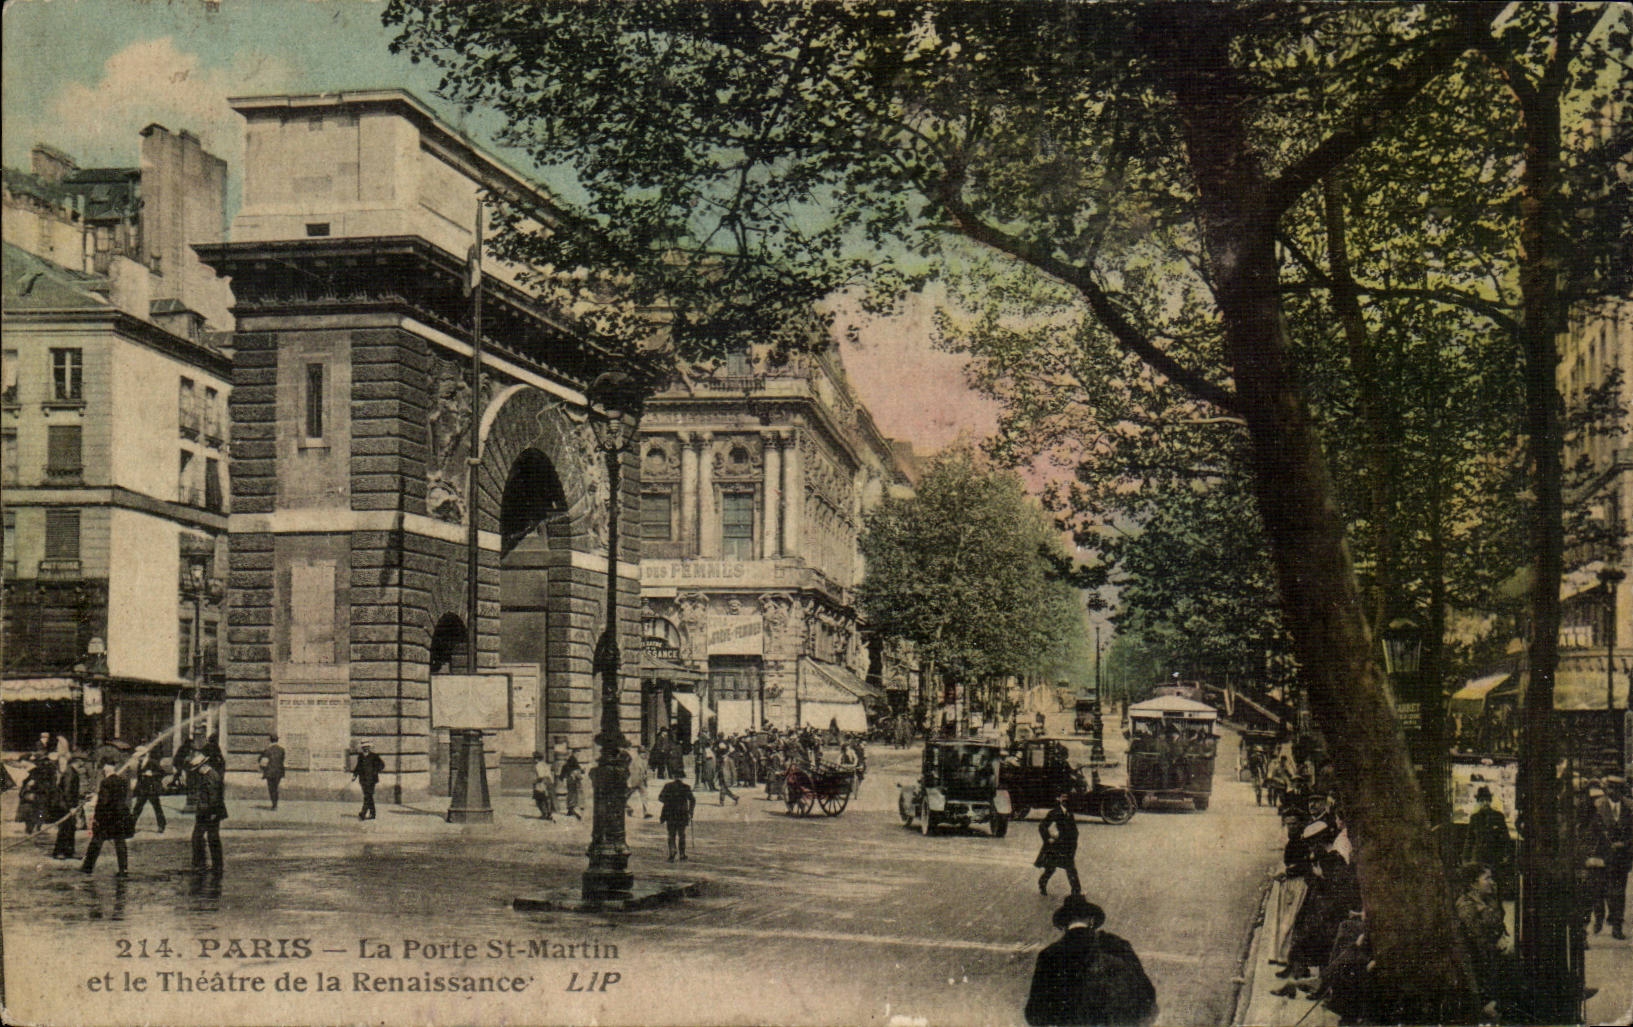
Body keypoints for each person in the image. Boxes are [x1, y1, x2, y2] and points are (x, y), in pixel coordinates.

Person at [1024, 894, 1157, 1027]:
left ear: (1064, 925)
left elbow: (1034, 1014)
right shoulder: (1117, 946)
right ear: (1092, 921)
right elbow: (1147, 999)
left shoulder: (1048, 955)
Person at [1455, 862, 1511, 1014]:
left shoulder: (1488, 901)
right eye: (1487, 878)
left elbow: (1498, 925)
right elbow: (1477, 940)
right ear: (1473, 884)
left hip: (1491, 964)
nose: (1492, 882)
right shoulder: (1466, 906)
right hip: (1477, 969)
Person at [1587, 775, 1632, 939]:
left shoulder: (1630, 807)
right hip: (1602, 856)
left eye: (1617, 790)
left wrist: (1625, 844)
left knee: (1618, 893)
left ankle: (1617, 926)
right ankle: (1599, 918)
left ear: (1621, 791)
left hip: (1621, 858)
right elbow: (1591, 831)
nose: (1613, 792)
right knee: (1599, 890)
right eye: (1610, 789)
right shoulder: (1598, 806)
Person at [81, 758, 135, 876]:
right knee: (120, 842)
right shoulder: (122, 781)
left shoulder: (105, 782)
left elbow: (103, 802)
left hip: (107, 817)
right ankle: (123, 869)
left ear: (106, 769)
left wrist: (96, 817)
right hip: (120, 816)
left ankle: (87, 867)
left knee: (96, 841)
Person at [1460, 786, 1511, 893]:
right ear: (1478, 802)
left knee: (1494, 887)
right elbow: (1469, 840)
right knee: (1479, 886)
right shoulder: (1475, 818)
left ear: (1490, 801)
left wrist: (1505, 855)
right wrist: (1466, 859)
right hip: (1478, 858)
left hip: (1494, 859)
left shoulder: (1498, 817)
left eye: (1487, 800)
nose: (1485, 803)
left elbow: (1506, 838)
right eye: (1482, 800)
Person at [187, 749, 227, 872]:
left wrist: (212, 813)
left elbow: (214, 797)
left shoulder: (211, 776)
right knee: (206, 838)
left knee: (204, 838)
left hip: (210, 813)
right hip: (207, 812)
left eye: (198, 768)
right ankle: (211, 864)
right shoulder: (209, 775)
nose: (197, 771)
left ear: (203, 765)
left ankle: (205, 865)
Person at [1036, 792, 1082, 896]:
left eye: (1067, 798)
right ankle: (1042, 882)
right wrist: (1048, 838)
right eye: (1063, 797)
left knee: (1069, 868)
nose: (1065, 800)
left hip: (1067, 846)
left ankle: (1076, 891)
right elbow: (1042, 826)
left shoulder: (1069, 813)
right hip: (1057, 847)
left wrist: (1074, 841)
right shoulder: (1054, 812)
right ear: (1059, 799)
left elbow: (1074, 829)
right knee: (1052, 868)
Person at [658, 770, 696, 861]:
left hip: (670, 813)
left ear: (674, 776)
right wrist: (690, 811)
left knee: (671, 834)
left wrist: (669, 801)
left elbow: (660, 798)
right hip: (682, 814)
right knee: (682, 834)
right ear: (683, 777)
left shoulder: (668, 786)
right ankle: (682, 854)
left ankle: (672, 851)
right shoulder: (686, 787)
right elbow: (692, 800)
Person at [52, 754, 83, 859]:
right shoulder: (70, 773)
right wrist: (71, 807)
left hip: (68, 805)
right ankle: (59, 852)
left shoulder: (72, 772)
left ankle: (69, 851)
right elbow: (67, 791)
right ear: (77, 761)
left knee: (70, 828)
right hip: (64, 806)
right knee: (65, 829)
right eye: (81, 761)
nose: (82, 764)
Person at [130, 747, 167, 834]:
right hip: (143, 789)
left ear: (145, 755)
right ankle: (131, 826)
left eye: (140, 756)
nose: (139, 758)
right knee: (137, 808)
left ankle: (161, 825)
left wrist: (152, 774)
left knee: (157, 807)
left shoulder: (153, 762)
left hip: (152, 789)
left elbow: (162, 773)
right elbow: (139, 777)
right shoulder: (140, 764)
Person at [351, 741, 385, 820]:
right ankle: (373, 814)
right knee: (368, 796)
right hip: (363, 779)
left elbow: (382, 765)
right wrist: (354, 775)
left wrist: (375, 771)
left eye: (367, 747)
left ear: (369, 748)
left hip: (371, 780)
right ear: (362, 748)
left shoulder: (374, 756)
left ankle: (363, 813)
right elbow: (358, 767)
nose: (365, 748)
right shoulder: (360, 756)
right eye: (364, 747)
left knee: (367, 796)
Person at [258, 734, 286, 810]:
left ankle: (274, 804)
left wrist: (262, 769)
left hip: (270, 772)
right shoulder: (282, 750)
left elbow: (262, 761)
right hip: (279, 772)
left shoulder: (267, 750)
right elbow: (282, 760)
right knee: (276, 787)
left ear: (270, 740)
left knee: (271, 788)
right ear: (277, 740)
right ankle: (275, 804)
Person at [627, 744, 652, 818]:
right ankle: (628, 808)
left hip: (640, 782)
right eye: (642, 753)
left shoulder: (644, 761)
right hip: (635, 781)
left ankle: (646, 812)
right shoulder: (636, 761)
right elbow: (632, 771)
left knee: (644, 795)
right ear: (639, 753)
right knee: (628, 796)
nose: (644, 754)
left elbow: (644, 772)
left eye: (645, 752)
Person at [532, 751, 556, 821]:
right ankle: (549, 813)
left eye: (534, 758)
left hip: (542, 783)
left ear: (536, 758)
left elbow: (541, 776)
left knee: (539, 800)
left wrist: (535, 782)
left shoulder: (538, 765)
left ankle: (544, 814)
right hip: (549, 782)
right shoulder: (545, 764)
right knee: (547, 799)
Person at [561, 751, 584, 819]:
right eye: (577, 753)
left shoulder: (569, 762)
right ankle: (572, 809)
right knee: (573, 794)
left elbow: (564, 771)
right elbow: (577, 771)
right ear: (574, 753)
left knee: (571, 794)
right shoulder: (574, 761)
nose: (578, 755)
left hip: (570, 780)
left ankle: (570, 809)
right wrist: (580, 772)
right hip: (573, 780)